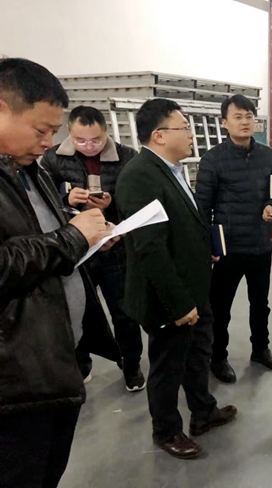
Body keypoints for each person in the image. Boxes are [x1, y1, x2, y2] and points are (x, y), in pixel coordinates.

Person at [0, 58, 121, 488]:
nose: (49, 143)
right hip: (15, 380)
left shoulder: (28, 169)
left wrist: (89, 237)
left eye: (54, 132)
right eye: (41, 130)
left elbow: (38, 236)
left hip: (54, 363)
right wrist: (72, 238)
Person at [115, 98, 236, 459]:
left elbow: (180, 226)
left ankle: (203, 412)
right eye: (184, 127)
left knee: (198, 354)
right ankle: (166, 430)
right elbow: (149, 248)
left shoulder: (172, 170)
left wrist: (205, 248)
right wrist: (180, 304)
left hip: (194, 286)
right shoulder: (139, 176)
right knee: (168, 365)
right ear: (159, 135)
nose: (191, 134)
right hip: (168, 296)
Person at [41, 105, 145, 391]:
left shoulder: (127, 157)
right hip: (77, 251)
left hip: (114, 249)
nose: (89, 146)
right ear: (69, 133)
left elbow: (137, 202)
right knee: (77, 311)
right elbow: (43, 203)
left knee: (124, 312)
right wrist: (66, 199)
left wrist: (113, 204)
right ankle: (81, 365)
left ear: (106, 132)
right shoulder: (52, 158)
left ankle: (131, 365)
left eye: (96, 140)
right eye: (80, 140)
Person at [195, 94, 272, 384]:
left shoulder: (267, 156)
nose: (245, 122)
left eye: (249, 116)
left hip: (261, 244)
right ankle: (217, 356)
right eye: (237, 117)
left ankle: (260, 349)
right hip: (228, 248)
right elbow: (202, 206)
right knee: (220, 307)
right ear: (225, 123)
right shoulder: (213, 159)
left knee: (260, 303)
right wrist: (208, 245)